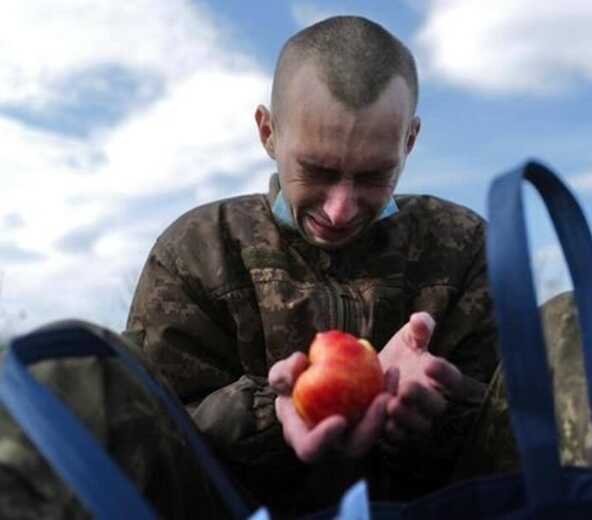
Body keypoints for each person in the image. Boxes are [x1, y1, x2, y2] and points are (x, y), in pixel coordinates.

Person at [125, 15, 498, 515]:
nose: (340, 209)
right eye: (316, 171)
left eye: (373, 175)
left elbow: (517, 429)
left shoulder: (465, 245)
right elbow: (149, 438)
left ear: (408, 141)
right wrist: (271, 414)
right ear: (268, 131)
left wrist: (440, 408)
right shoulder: (196, 251)